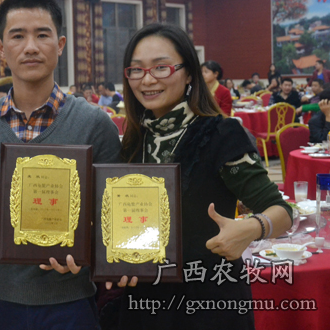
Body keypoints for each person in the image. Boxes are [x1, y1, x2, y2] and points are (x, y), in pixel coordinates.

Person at [0, 0, 121, 330]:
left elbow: (112, 218)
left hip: (71, 299)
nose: (30, 47)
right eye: (17, 36)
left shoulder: (95, 124)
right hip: (0, 300)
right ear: (1, 49)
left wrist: (88, 254)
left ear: (60, 45)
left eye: (42, 35)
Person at [116, 23, 292, 330]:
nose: (147, 79)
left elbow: (282, 211)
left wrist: (252, 228)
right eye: (136, 70)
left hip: (207, 301)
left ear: (188, 74)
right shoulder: (133, 140)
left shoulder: (220, 134)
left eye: (161, 67)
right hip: (143, 301)